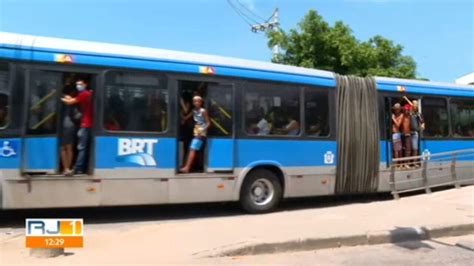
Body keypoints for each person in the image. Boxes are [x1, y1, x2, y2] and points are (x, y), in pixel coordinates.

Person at [61, 79, 93, 175]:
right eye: (77, 84)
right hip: (84, 123)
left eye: (80, 84)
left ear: (85, 84)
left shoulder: (84, 94)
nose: (78, 86)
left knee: (81, 147)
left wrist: (59, 96)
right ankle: (78, 167)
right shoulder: (85, 94)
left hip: (86, 123)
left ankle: (78, 168)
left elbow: (70, 102)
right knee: (80, 146)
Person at [180, 96, 210, 173]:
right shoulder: (194, 111)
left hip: (200, 133)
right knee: (194, 149)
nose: (197, 103)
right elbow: (186, 118)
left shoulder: (203, 111)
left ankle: (187, 167)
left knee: (192, 148)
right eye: (195, 101)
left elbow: (208, 123)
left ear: (201, 102)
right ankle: (191, 167)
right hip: (196, 131)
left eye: (198, 101)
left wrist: (202, 130)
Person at [60, 87, 80, 176]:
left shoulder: (64, 99)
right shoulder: (73, 100)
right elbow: (77, 116)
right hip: (71, 126)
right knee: (69, 148)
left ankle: (66, 169)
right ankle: (68, 168)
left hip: (65, 125)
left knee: (63, 148)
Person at [400, 104, 412, 168]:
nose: (406, 111)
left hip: (408, 134)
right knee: (404, 149)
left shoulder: (409, 117)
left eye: (408, 110)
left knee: (408, 149)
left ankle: (406, 163)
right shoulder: (402, 116)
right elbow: (400, 125)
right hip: (403, 134)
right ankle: (404, 163)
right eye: (405, 110)